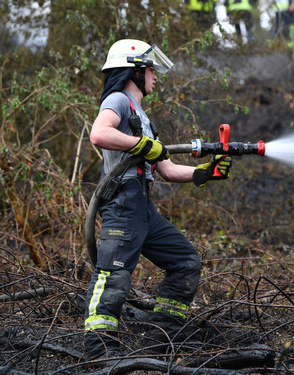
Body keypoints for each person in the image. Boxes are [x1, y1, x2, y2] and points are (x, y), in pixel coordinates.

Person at [84, 39, 233, 360]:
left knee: (185, 263)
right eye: (150, 69)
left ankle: (160, 341)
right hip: (122, 205)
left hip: (143, 208)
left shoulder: (143, 116)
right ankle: (100, 354)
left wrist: (204, 173)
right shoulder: (118, 100)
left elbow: (165, 168)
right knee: (113, 278)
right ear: (134, 71)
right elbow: (99, 133)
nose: (155, 76)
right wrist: (139, 144)